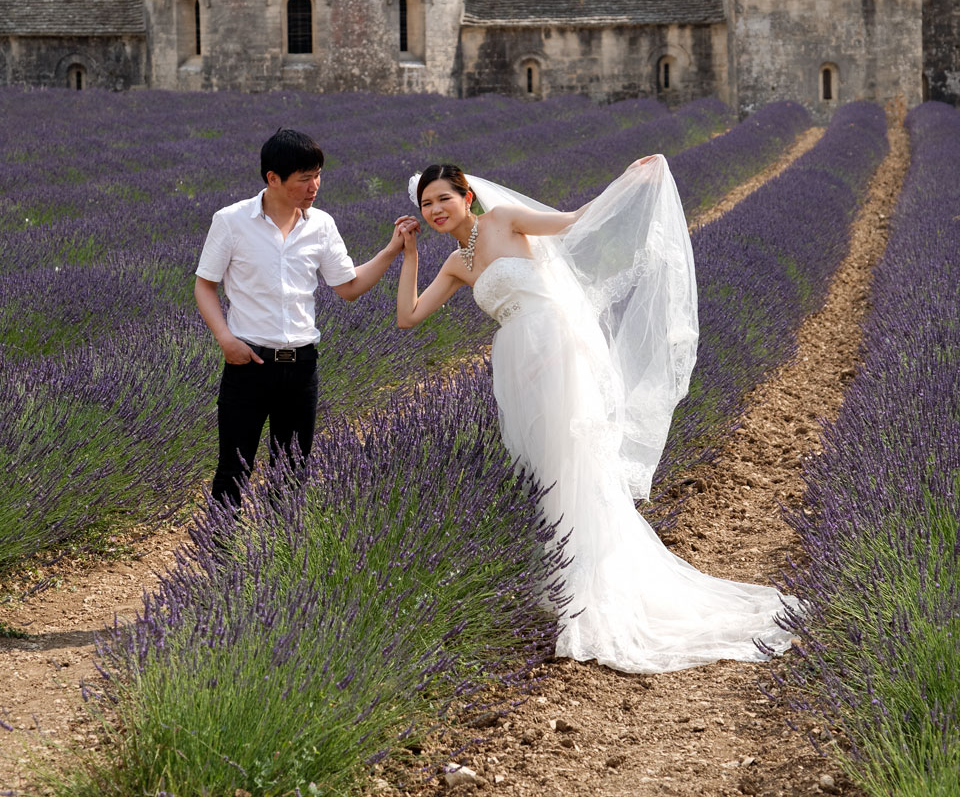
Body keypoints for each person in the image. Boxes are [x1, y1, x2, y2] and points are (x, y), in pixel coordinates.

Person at [396, 159, 798, 673]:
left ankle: (591, 595)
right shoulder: (456, 263)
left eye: (442, 199)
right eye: (426, 205)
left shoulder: (507, 221)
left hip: (556, 346)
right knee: (545, 469)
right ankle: (569, 585)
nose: (434, 210)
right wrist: (406, 254)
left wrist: (630, 181)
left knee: (574, 461)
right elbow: (408, 318)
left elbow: (578, 221)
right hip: (517, 363)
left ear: (466, 195)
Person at [195, 127, 417, 507]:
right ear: (273, 179)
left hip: (301, 366)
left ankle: (281, 558)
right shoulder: (231, 221)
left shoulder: (321, 225)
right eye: (305, 178)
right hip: (248, 363)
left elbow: (347, 287)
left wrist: (392, 249)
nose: (315, 185)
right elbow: (204, 285)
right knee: (233, 469)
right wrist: (225, 339)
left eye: (317, 175)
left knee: (293, 471)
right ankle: (220, 556)